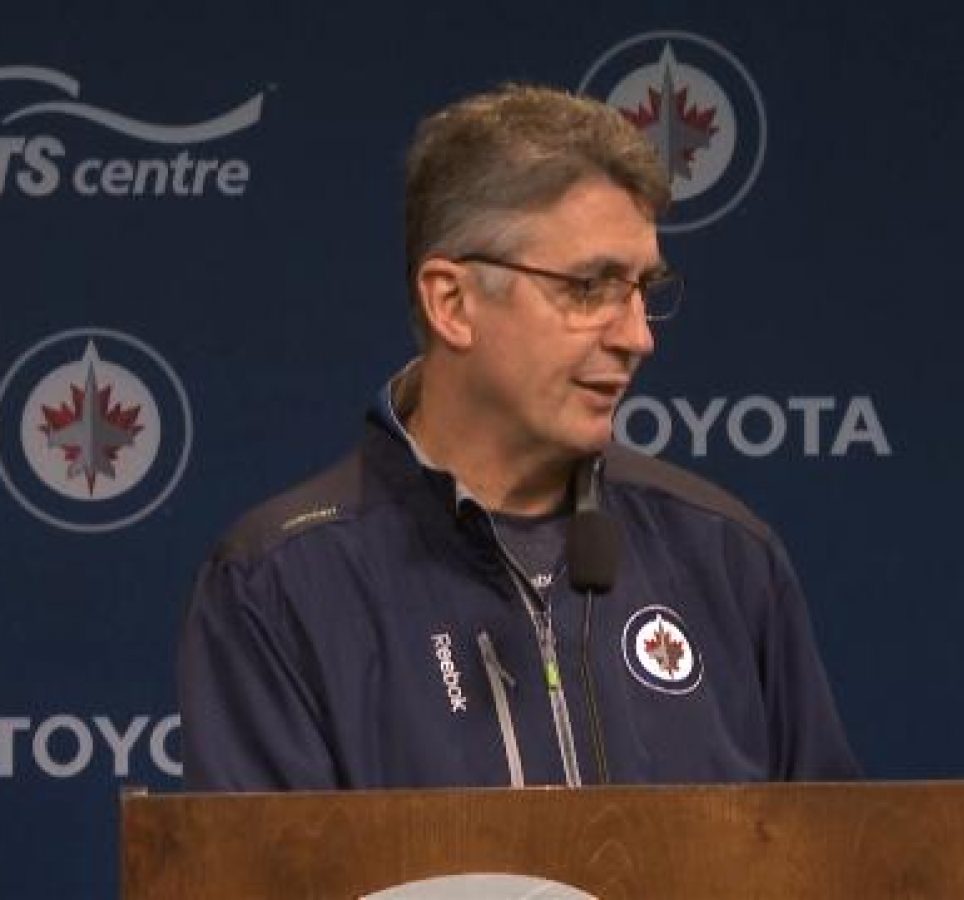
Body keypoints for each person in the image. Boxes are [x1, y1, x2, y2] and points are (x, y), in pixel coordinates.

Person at [179, 84, 857, 790]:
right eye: (590, 288)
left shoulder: (727, 557)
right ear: (453, 303)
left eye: (643, 291)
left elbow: (829, 851)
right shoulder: (279, 586)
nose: (637, 337)